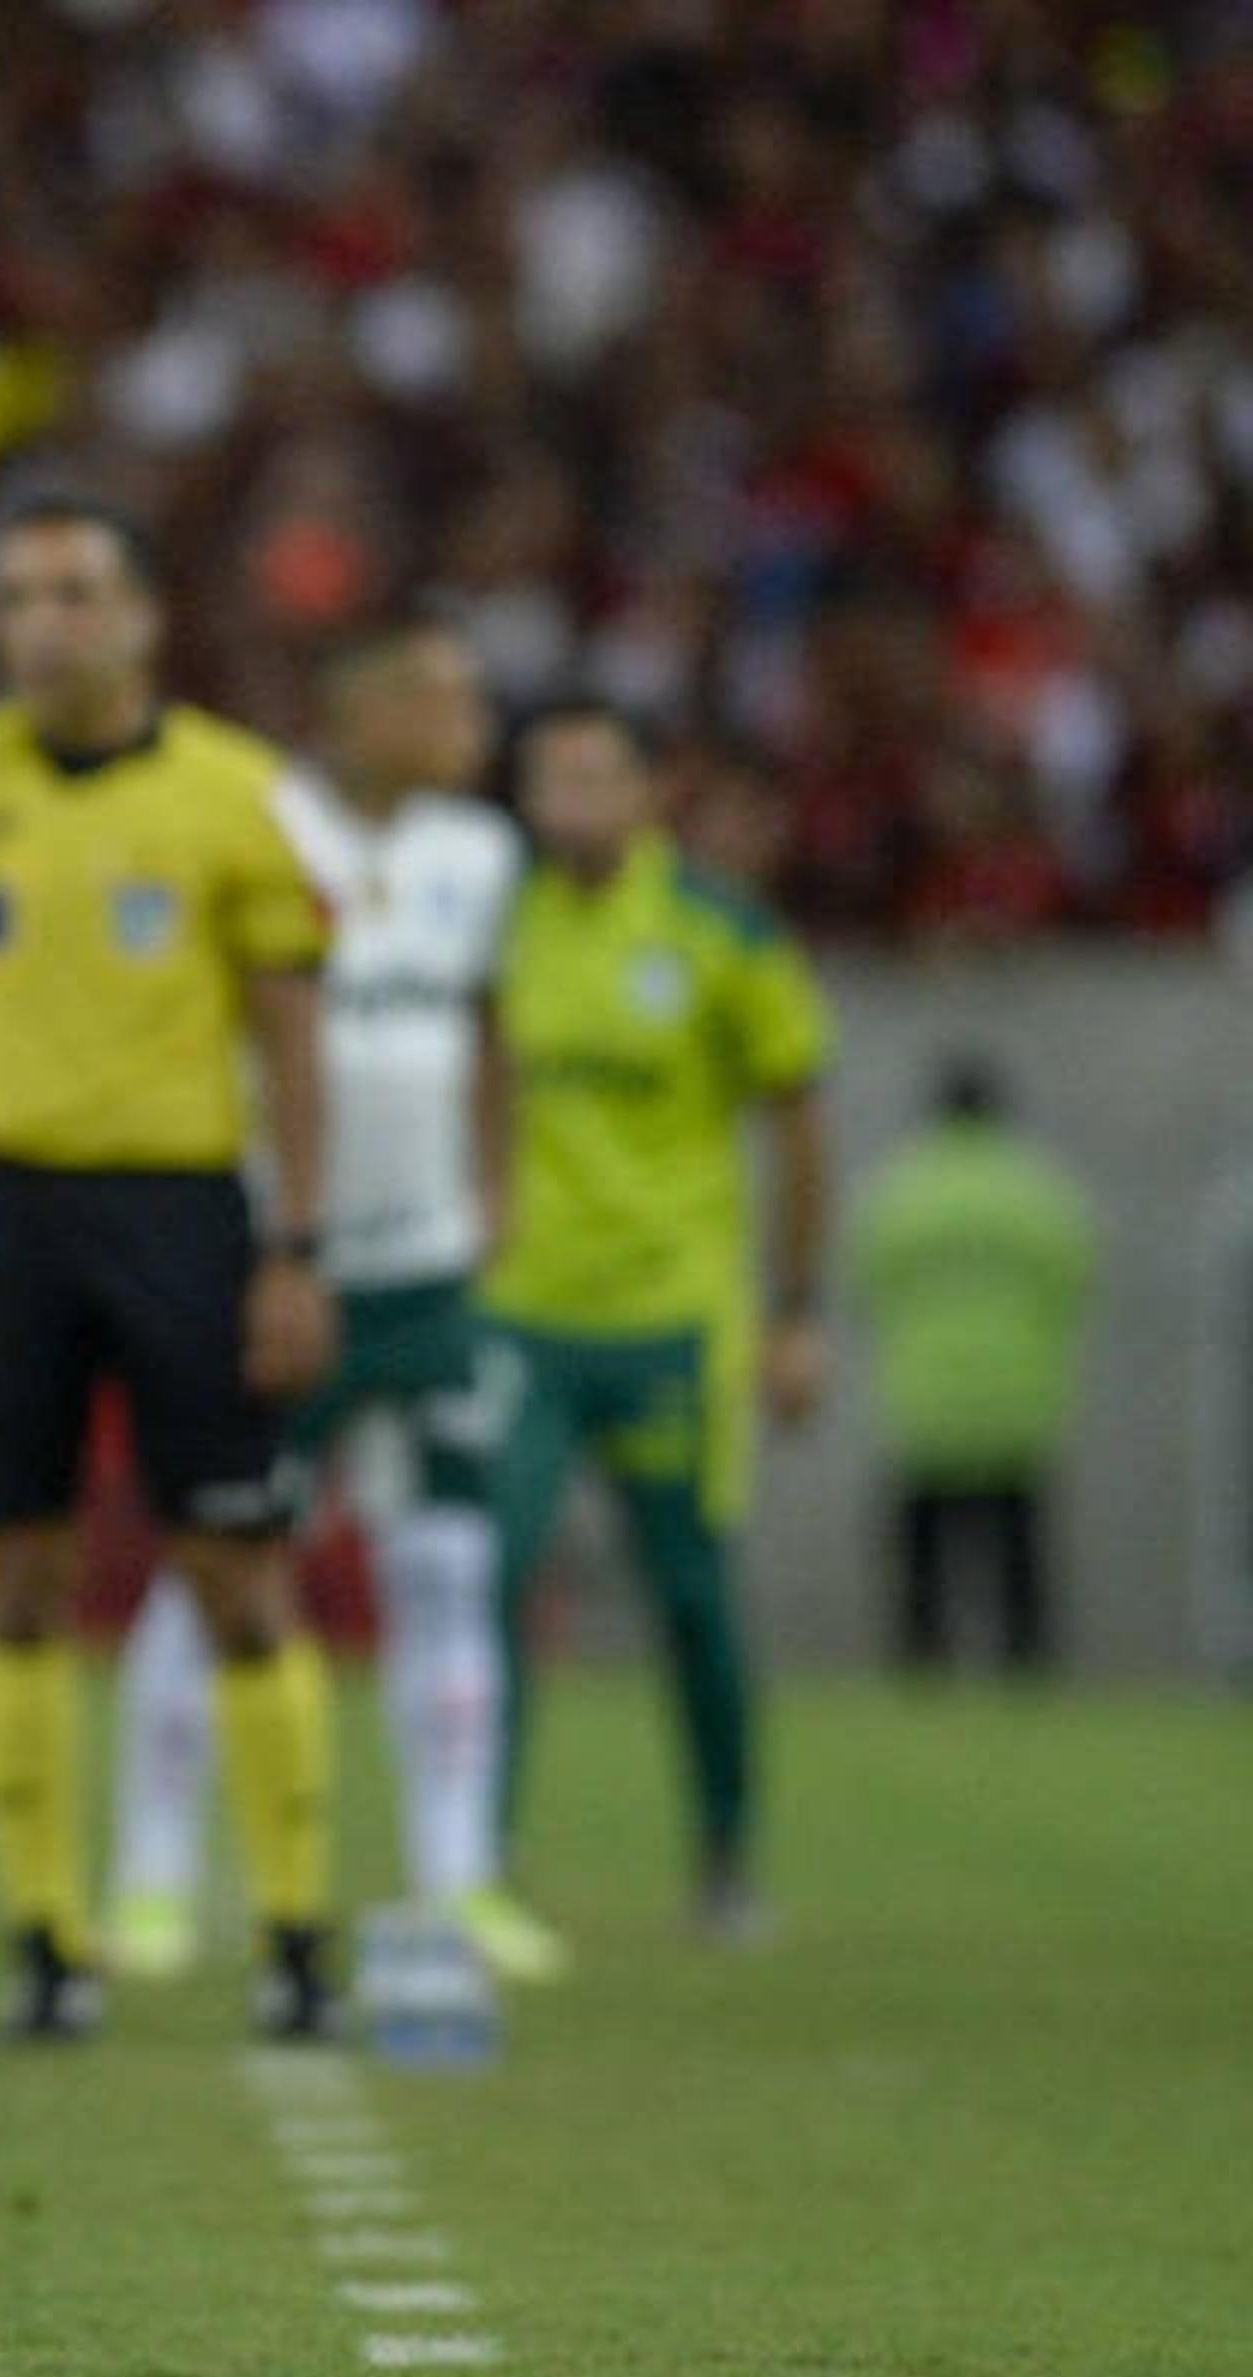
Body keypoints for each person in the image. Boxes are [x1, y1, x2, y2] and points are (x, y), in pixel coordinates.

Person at [0, 491, 343, 2046]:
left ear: (141, 619)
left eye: (76, 592)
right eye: (21, 596)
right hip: (4, 1214)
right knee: (12, 1575)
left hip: (185, 1210)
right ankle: (49, 1934)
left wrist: (297, 1245)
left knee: (240, 1573)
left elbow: (293, 1033)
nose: (45, 620)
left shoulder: (236, 795)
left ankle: (300, 1927)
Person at [97, 608, 569, 1987]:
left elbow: (486, 1030)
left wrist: (495, 1190)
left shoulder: (480, 856)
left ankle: (459, 1876)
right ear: (362, 713)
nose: (475, 727)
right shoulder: (261, 818)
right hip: (276, 1260)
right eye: (448, 698)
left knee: (450, 1568)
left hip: (426, 1272)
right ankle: (153, 1880)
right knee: (217, 1569)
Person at [484, 700, 835, 1941]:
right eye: (548, 775)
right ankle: (479, 1860)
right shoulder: (494, 921)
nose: (569, 797)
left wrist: (796, 1314)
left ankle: (728, 1857)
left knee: (689, 1596)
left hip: (675, 1322)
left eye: (595, 773)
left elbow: (799, 1130)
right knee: (495, 1573)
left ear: (649, 791)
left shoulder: (723, 933)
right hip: (519, 1313)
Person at [843, 1054, 1095, 1682]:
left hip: (925, 1401)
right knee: (1017, 1555)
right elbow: (1077, 1283)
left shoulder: (901, 1192)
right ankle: (1027, 1668)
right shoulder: (1040, 1193)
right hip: (1019, 1402)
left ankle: (923, 1665)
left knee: (923, 1557)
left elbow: (865, 1286)